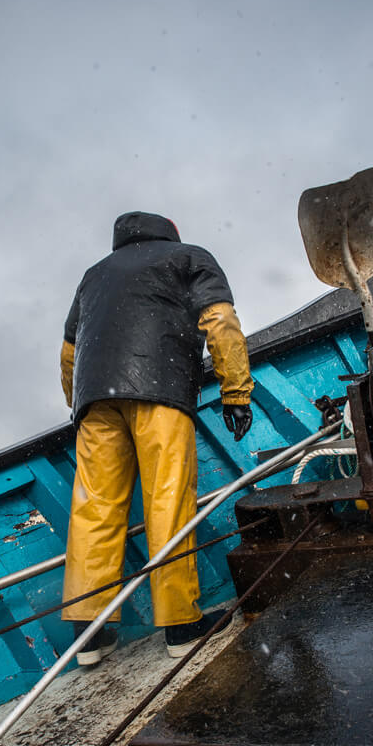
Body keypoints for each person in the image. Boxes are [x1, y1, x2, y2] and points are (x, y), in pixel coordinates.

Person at [59, 211, 255, 664]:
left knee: (95, 509)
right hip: (160, 391)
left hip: (94, 403)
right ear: (169, 232)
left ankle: (89, 634)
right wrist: (236, 391)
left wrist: (80, 404)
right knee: (167, 499)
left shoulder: (93, 277)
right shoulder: (188, 257)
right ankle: (181, 626)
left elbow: (69, 352)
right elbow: (219, 321)